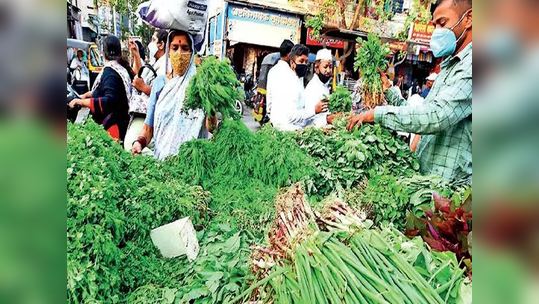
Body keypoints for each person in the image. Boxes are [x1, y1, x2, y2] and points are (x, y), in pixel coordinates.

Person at [347, 0, 472, 184]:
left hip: (450, 193)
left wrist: (377, 114)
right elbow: (424, 113)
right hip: (427, 184)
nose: (437, 31)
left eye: (443, 23)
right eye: (435, 25)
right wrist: (390, 92)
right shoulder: (449, 66)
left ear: (469, 18)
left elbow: (436, 116)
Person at [131, 30, 216, 160]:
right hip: (164, 164)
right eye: (175, 48)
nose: (179, 53)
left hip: (193, 164)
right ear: (168, 51)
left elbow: (211, 128)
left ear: (192, 52)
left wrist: (212, 107)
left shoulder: (200, 85)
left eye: (185, 48)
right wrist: (139, 143)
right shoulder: (160, 84)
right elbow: (148, 128)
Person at [68, 35, 135, 142]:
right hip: (120, 123)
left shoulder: (110, 73)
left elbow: (109, 101)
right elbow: (106, 90)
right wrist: (85, 95)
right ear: (120, 52)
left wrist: (82, 102)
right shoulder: (120, 68)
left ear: (103, 54)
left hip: (112, 130)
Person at [124, 30, 168, 152]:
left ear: (161, 44)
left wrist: (143, 87)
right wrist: (136, 54)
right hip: (146, 113)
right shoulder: (156, 62)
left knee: (131, 144)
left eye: (153, 39)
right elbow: (139, 74)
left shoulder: (165, 64)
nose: (151, 43)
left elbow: (164, 93)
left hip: (150, 113)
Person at [268, 44, 328, 131]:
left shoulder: (297, 80)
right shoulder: (289, 82)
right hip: (286, 131)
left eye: (306, 61)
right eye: (301, 61)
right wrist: (314, 110)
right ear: (292, 63)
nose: (304, 64)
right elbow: (291, 116)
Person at [304, 49, 334, 127]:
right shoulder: (312, 88)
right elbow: (308, 119)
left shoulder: (325, 85)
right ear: (316, 68)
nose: (328, 70)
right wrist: (327, 119)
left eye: (330, 67)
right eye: (325, 67)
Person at [265, 39, 294, 120]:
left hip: (274, 117)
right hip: (287, 119)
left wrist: (270, 113)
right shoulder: (291, 73)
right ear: (289, 54)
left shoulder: (272, 71)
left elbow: (269, 96)